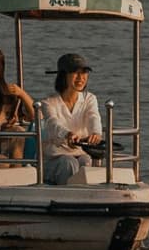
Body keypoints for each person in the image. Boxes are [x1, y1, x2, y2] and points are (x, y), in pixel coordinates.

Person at [39, 54, 105, 184]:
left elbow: (93, 116)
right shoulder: (48, 103)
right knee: (68, 163)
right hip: (54, 158)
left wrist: (96, 133)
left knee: (86, 161)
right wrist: (67, 134)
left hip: (81, 152)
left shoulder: (89, 99)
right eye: (75, 73)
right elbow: (53, 123)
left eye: (84, 73)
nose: (81, 78)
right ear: (63, 76)